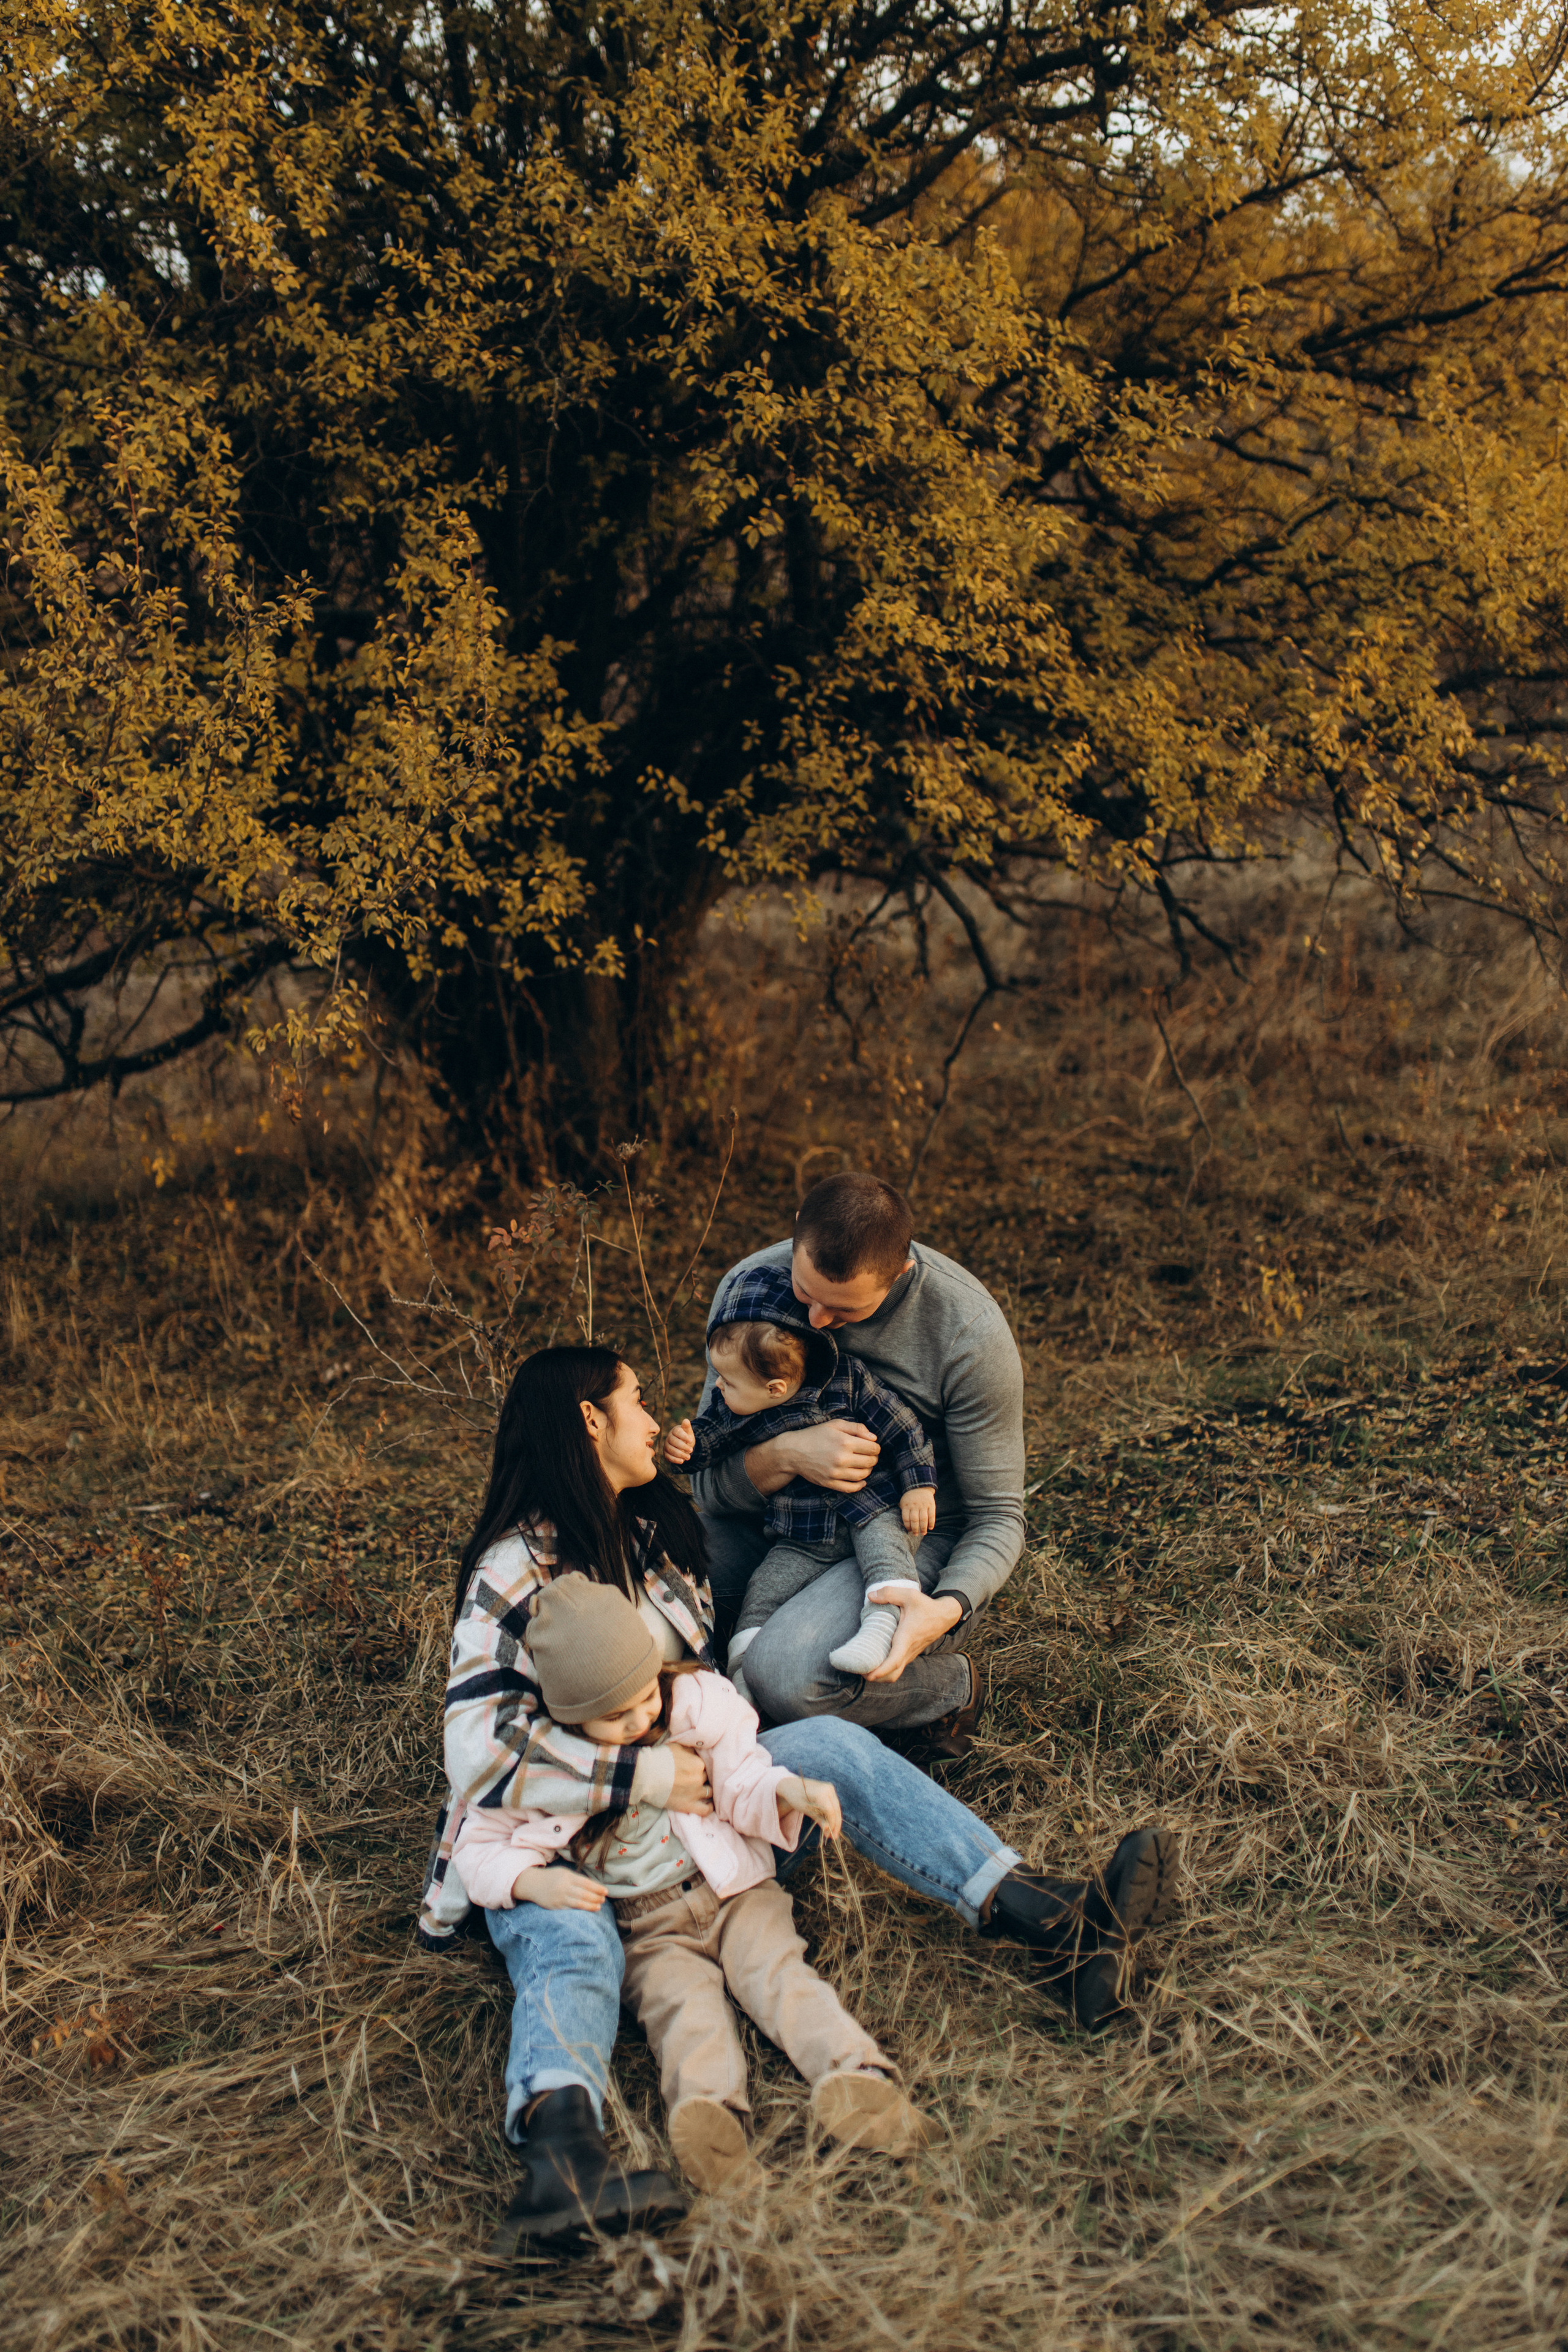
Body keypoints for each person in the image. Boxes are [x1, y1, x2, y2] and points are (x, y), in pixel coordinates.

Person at [418, 1344, 1174, 2256]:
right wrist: (640, 1778)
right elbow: (477, 1753)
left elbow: (701, 1688)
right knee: (569, 1930)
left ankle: (1052, 1916)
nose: (655, 1412)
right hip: (557, 1847)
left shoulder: (655, 1532)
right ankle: (562, 2166)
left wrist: (750, 1769)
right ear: (590, 1421)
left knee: (820, 1746)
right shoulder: (515, 1567)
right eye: (637, 1398)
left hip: (699, 1834)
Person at [452, 1573, 934, 2222]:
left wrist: (788, 1793)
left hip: (733, 1892)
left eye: (645, 1698)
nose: (638, 1720)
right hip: (648, 1929)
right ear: (568, 1717)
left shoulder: (696, 1707)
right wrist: (531, 1880)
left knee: (780, 1977)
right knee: (684, 2015)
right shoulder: (554, 1769)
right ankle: (712, 2123)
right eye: (613, 1717)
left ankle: (855, 2078)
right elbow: (477, 1845)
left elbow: (742, 1779)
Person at [689, 1171, 1025, 1755]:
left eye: (842, 1310)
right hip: (779, 1522)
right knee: (643, 1576)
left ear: (901, 1274)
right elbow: (708, 1486)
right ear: (796, 1235)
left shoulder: (969, 1332)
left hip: (900, 1533)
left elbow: (999, 1516)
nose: (816, 1320)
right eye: (805, 1292)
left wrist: (946, 1608)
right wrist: (788, 1454)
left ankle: (948, 1688)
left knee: (785, 1678)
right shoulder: (747, 1288)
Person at [663, 1314, 937, 1681]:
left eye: (728, 1382)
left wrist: (919, 1485)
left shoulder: (846, 1381)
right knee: (764, 1587)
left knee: (884, 1549)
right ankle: (744, 1670)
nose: (719, 1389)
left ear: (775, 1388)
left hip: (874, 1506)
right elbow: (710, 1438)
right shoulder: (737, 1409)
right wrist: (687, 1446)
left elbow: (903, 1428)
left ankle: (881, 1625)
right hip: (803, 1535)